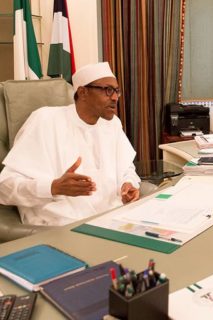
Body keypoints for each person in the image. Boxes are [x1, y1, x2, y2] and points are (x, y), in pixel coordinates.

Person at [0, 62, 141, 226]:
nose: (115, 98)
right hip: (63, 225)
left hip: (112, 218)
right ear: (83, 92)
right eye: (108, 90)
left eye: (117, 91)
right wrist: (53, 187)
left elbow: (126, 168)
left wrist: (128, 184)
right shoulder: (45, 120)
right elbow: (5, 186)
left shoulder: (112, 124)